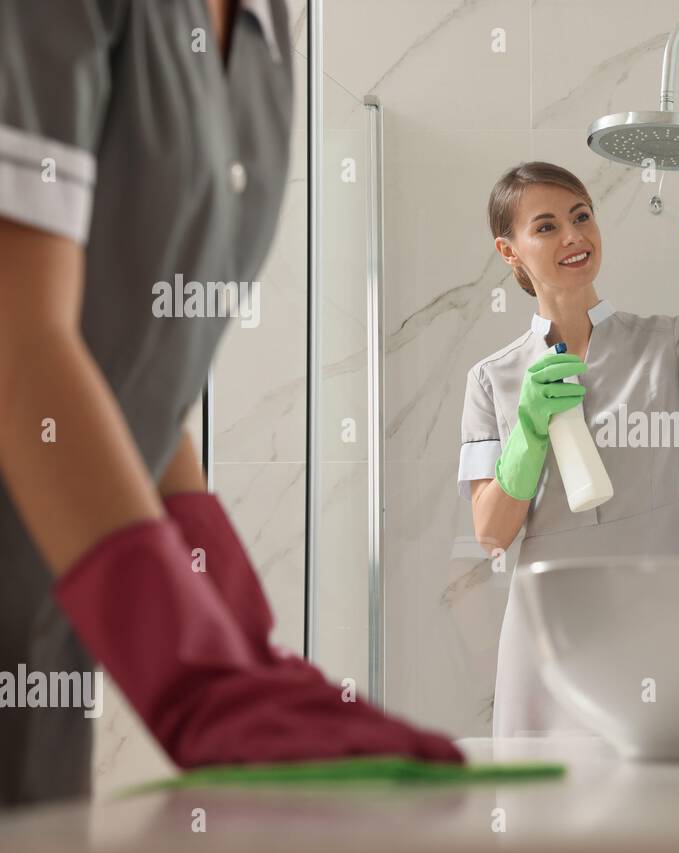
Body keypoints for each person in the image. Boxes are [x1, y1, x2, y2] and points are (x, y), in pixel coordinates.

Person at [0, 0, 461, 808]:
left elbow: (132, 367)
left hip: (43, 641)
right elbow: (16, 331)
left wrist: (241, 646)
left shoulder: (265, 33)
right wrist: (194, 673)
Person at [461, 161, 679, 736]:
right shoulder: (493, 379)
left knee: (674, 778)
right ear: (509, 252)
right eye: (547, 226)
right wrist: (527, 436)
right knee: (552, 785)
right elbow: (491, 536)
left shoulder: (668, 341)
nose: (573, 236)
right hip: (554, 627)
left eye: (581, 216)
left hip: (666, 608)